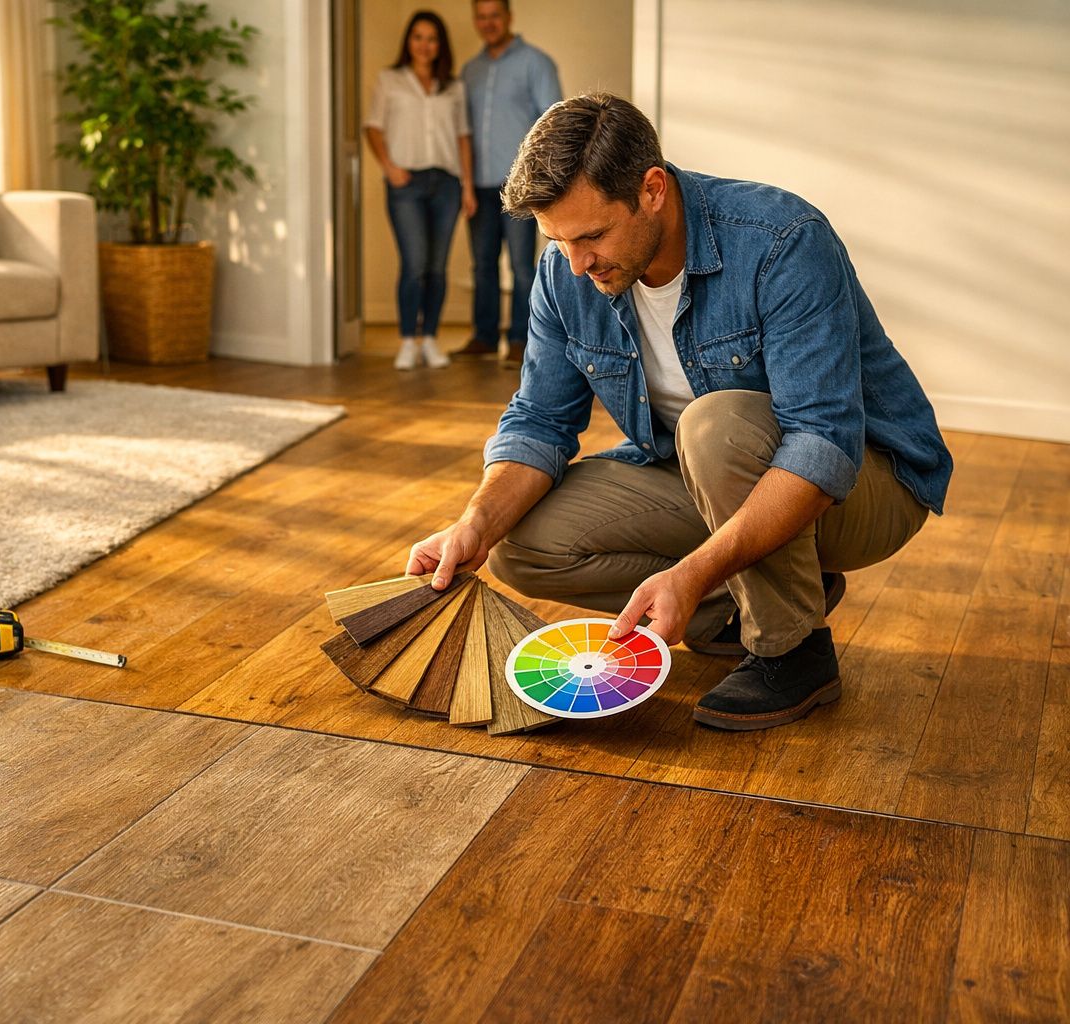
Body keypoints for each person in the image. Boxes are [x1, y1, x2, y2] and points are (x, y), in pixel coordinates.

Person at [406, 93, 952, 731]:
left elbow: (823, 443)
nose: (578, 265)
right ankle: (745, 597)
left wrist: (692, 571)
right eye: (559, 241)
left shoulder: (781, 241)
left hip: (867, 484)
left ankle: (793, 649)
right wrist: (474, 523)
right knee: (518, 544)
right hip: (705, 473)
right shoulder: (566, 271)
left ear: (653, 190)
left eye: (592, 236)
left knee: (713, 426)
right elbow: (539, 421)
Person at [364, 11, 476, 371]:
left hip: (446, 183)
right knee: (414, 265)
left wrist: (467, 187)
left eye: (431, 38)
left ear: (439, 45)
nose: (424, 44)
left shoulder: (453, 87)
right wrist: (389, 168)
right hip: (406, 184)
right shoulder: (390, 80)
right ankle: (407, 341)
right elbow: (373, 127)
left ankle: (429, 338)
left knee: (437, 267)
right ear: (408, 41)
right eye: (417, 37)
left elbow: (462, 138)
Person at [453, 0, 561, 369]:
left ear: (508, 17)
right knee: (482, 265)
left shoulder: (536, 62)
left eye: (494, 15)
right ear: (476, 21)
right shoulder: (469, 71)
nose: (488, 23)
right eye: (481, 17)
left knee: (521, 266)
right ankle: (484, 337)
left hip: (519, 187)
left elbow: (552, 122)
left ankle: (519, 339)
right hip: (478, 185)